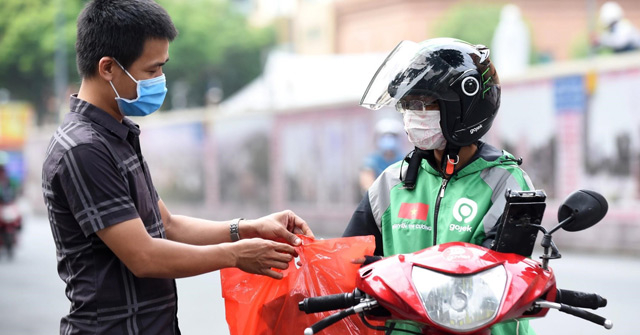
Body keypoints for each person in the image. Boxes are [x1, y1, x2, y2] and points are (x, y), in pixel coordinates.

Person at [41, 1, 314, 334]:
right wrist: (236, 255)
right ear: (108, 68)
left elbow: (166, 225)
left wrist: (248, 228)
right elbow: (143, 256)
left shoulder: (117, 134)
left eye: (162, 68)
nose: (160, 80)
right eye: (151, 70)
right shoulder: (84, 149)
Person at [343, 38, 535, 335]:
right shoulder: (391, 183)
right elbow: (349, 260)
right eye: (407, 105)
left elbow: (503, 274)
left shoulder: (506, 183)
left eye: (422, 104)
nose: (412, 115)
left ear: (463, 108)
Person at [359, 118, 405, 192]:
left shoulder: (404, 160)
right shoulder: (371, 161)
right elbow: (367, 184)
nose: (389, 139)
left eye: (393, 136)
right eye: (385, 136)